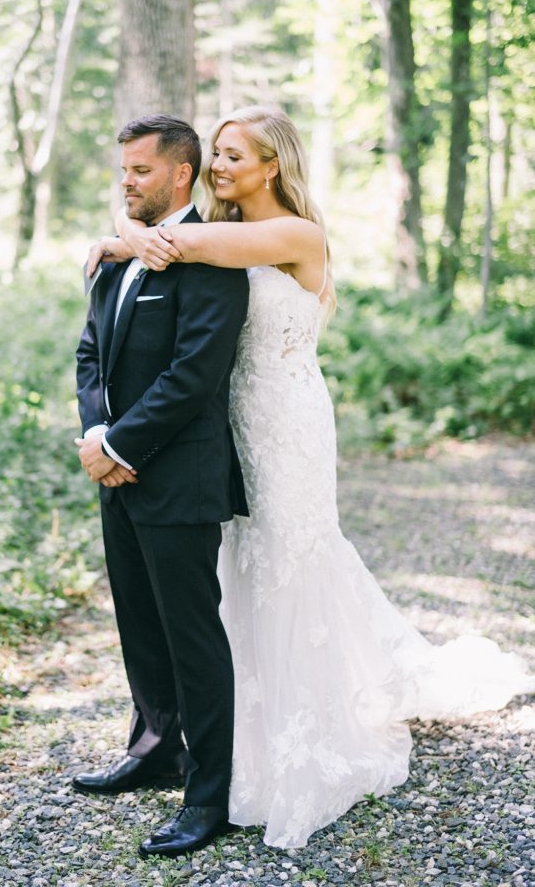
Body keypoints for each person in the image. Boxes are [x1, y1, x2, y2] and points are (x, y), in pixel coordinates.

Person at [88, 105, 534, 849]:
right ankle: (218, 733)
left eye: (235, 155)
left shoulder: (295, 233)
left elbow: (175, 240)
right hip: (232, 420)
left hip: (286, 418)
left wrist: (122, 238)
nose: (221, 166)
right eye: (217, 153)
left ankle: (302, 726)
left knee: (290, 559)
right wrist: (127, 240)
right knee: (238, 570)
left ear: (272, 166)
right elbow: (178, 250)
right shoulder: (221, 235)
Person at [73, 114, 249, 859]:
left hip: (178, 474)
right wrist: (95, 437)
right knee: (139, 623)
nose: (126, 181)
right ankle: (155, 748)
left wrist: (121, 441)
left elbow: (194, 375)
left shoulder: (213, 259)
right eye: (123, 170)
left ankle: (208, 796)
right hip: (116, 472)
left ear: (181, 174)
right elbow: (91, 355)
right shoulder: (120, 255)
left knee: (192, 636)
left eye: (140, 171)